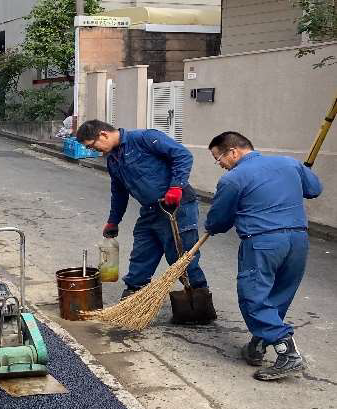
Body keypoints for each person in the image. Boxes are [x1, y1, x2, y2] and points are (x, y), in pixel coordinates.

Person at [205, 131, 322, 381]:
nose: (220, 165)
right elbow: (314, 189)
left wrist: (212, 227)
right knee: (278, 295)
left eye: (218, 159)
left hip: (263, 243)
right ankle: (258, 344)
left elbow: (219, 220)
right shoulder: (289, 163)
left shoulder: (234, 179)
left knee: (253, 297)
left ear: (233, 152)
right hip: (298, 241)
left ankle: (286, 352)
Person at [77, 120, 211, 302]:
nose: (94, 150)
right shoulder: (113, 160)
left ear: (103, 134)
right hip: (150, 211)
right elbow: (119, 193)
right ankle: (134, 296)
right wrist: (113, 220)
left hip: (177, 208)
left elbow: (182, 155)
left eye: (92, 146)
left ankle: (199, 298)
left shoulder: (145, 138)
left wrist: (176, 186)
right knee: (141, 253)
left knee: (180, 258)